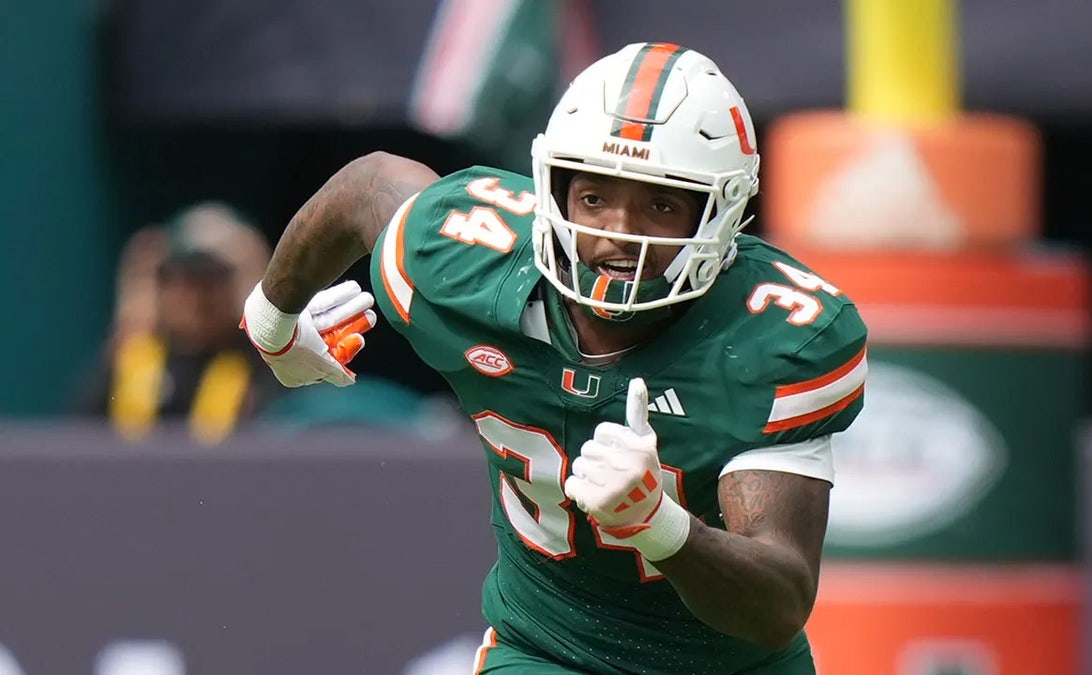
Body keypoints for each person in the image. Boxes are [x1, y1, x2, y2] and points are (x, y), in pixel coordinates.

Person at [241, 43, 868, 674]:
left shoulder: (773, 339)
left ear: (721, 214)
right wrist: (273, 321)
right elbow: (367, 186)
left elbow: (778, 605)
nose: (617, 234)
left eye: (660, 204)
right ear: (556, 191)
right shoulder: (468, 264)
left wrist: (660, 526)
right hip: (548, 648)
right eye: (595, 199)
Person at [75, 202, 287, 445]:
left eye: (214, 280)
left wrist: (267, 294)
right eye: (185, 279)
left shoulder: (264, 368)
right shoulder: (131, 364)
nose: (199, 297)